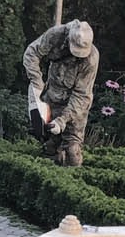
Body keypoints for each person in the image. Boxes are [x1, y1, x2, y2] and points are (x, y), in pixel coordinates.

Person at [23, 19, 98, 167]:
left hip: (76, 106)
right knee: (49, 145)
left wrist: (62, 120)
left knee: (72, 150)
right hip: (52, 96)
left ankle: (73, 175)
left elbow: (81, 96)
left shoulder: (91, 59)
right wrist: (37, 83)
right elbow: (31, 54)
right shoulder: (56, 35)